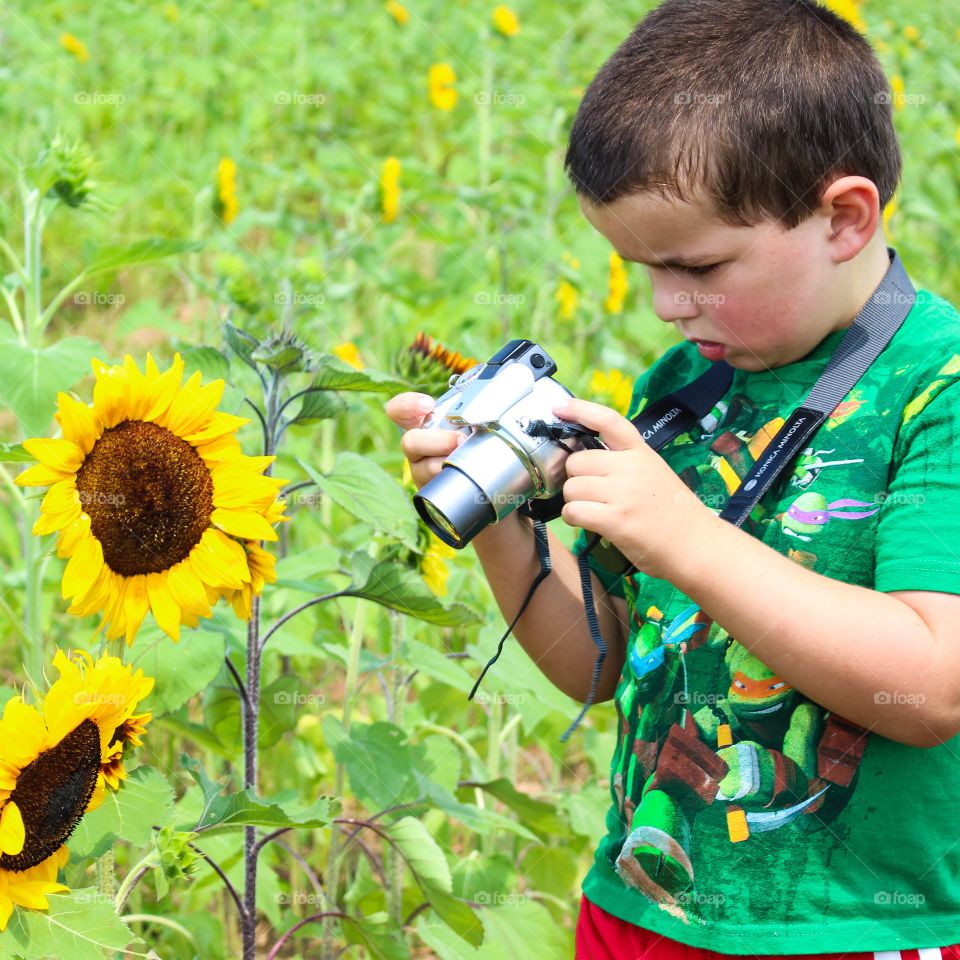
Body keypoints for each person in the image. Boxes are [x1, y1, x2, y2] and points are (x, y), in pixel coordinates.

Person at [387, 0, 960, 956]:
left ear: (845, 217)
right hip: (642, 906)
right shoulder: (686, 392)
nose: (663, 303)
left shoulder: (935, 389)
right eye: (639, 268)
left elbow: (933, 682)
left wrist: (692, 540)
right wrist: (497, 517)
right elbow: (600, 662)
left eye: (697, 264)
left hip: (850, 923)